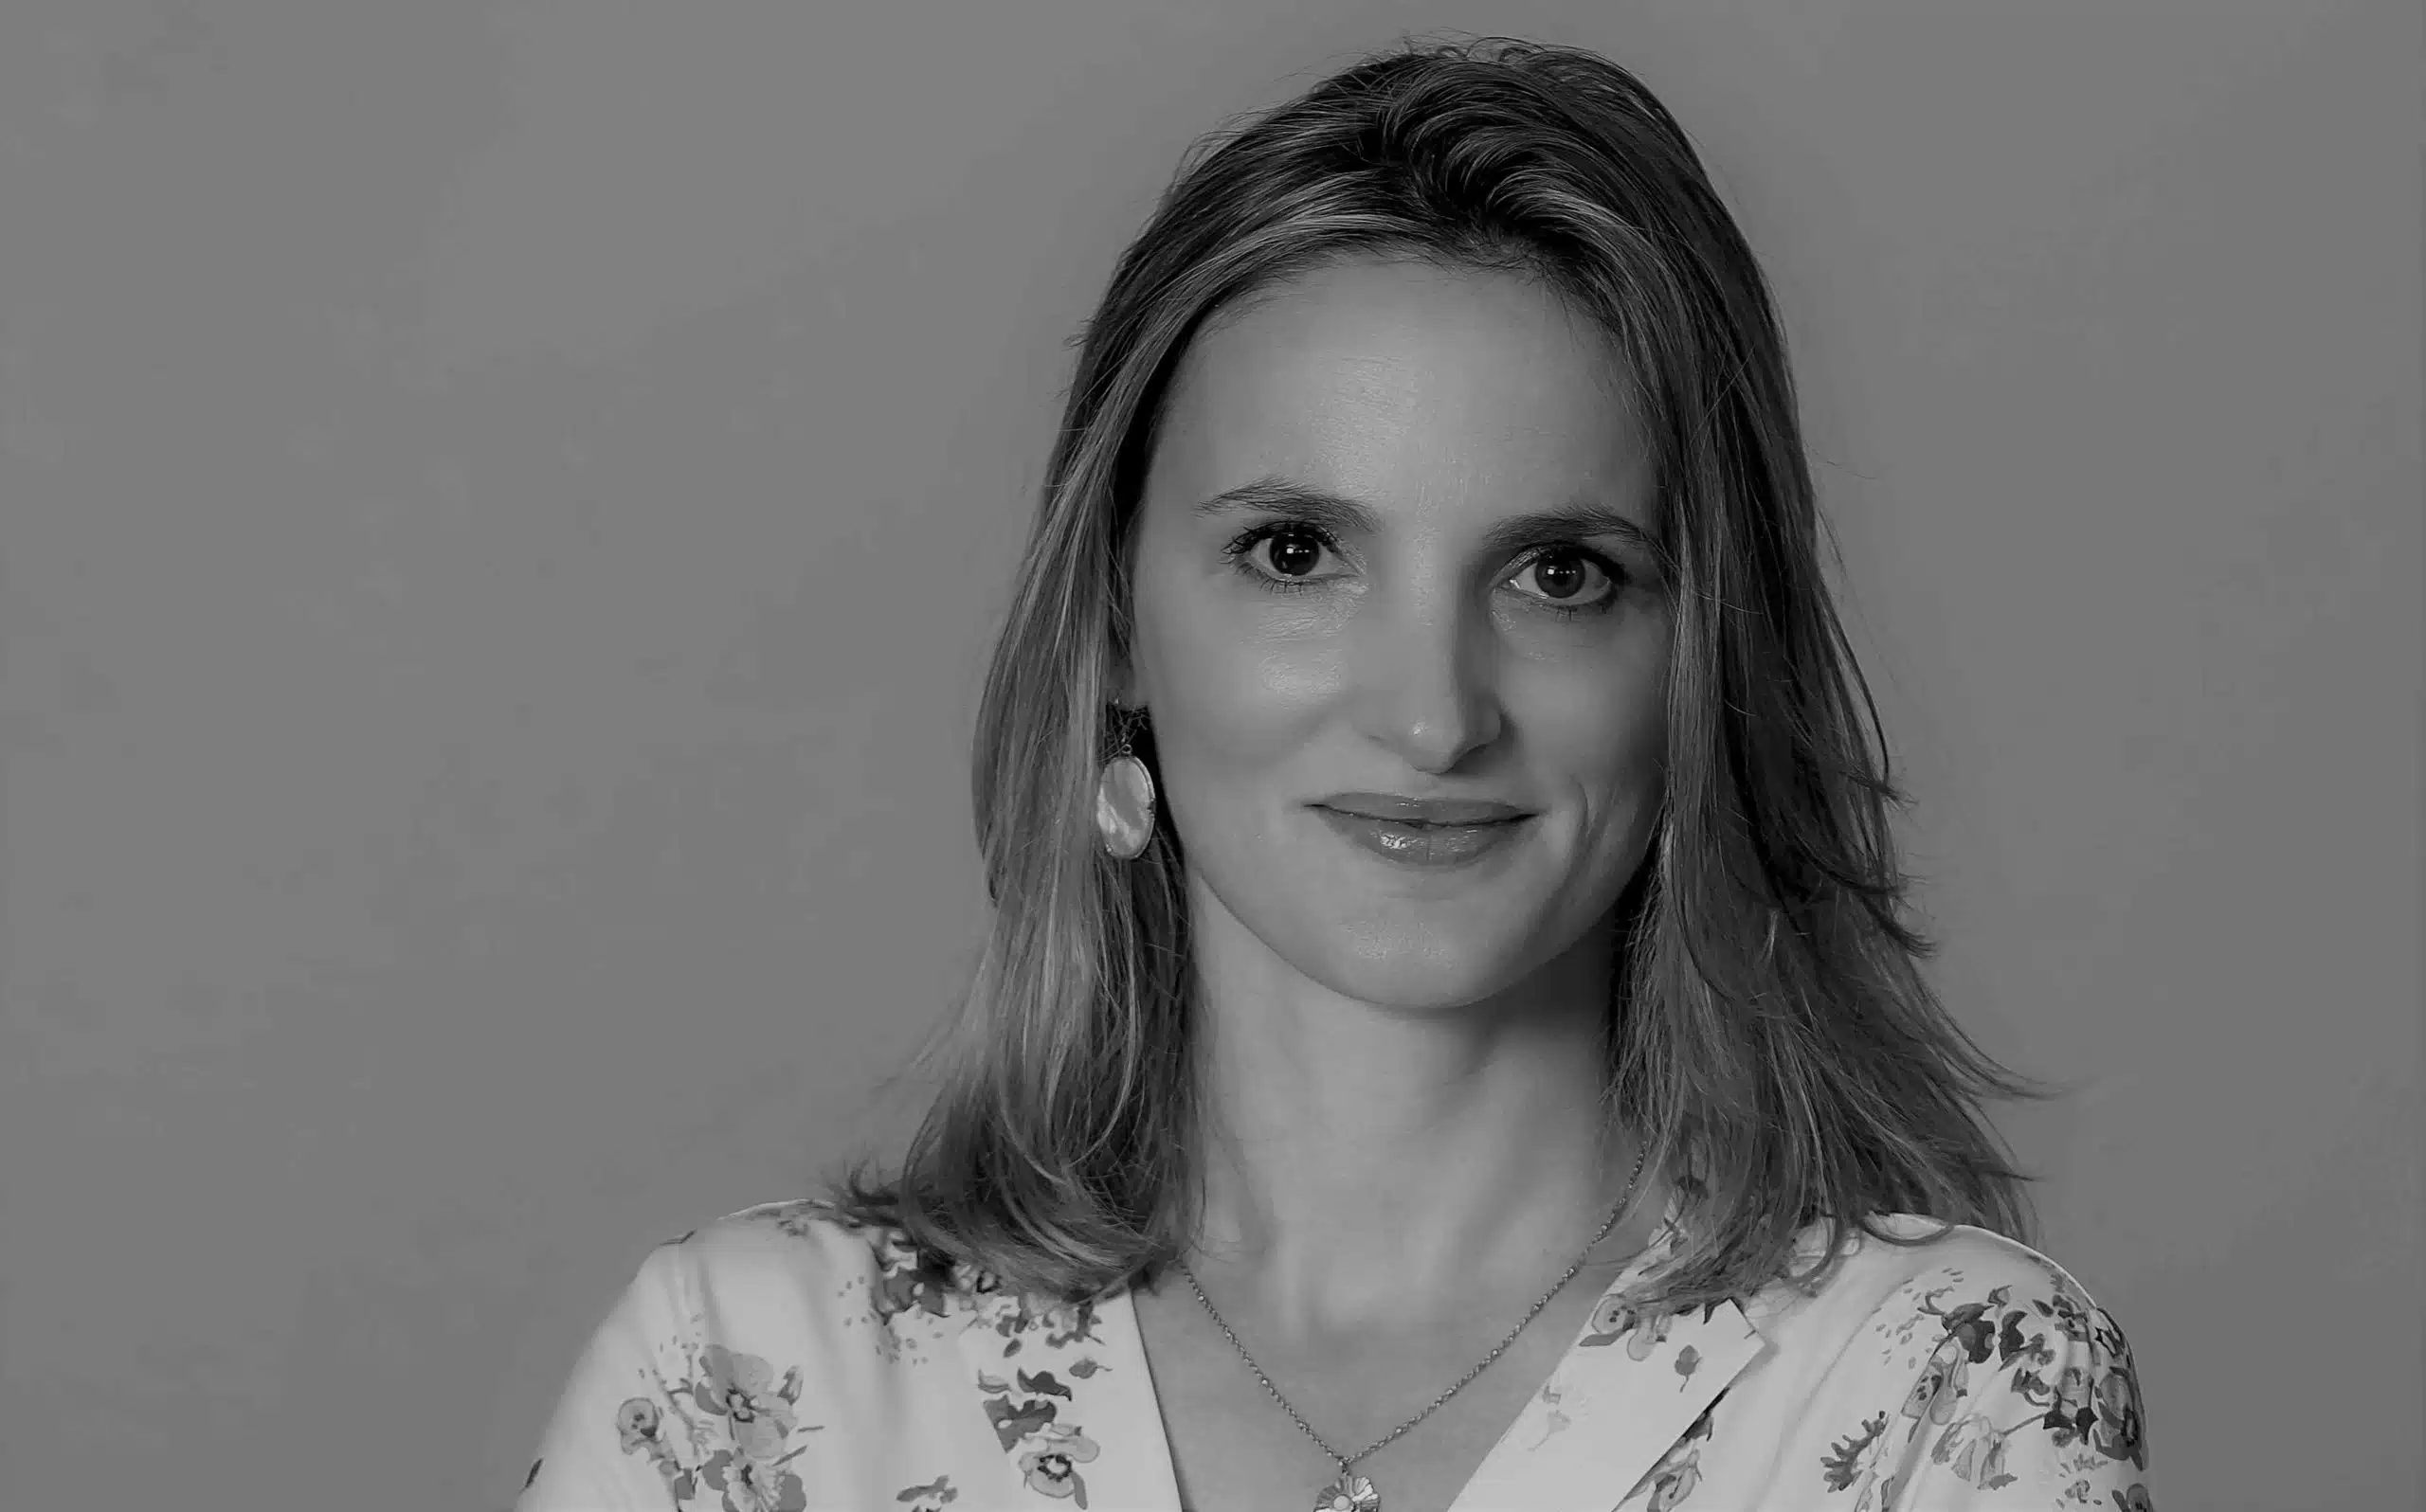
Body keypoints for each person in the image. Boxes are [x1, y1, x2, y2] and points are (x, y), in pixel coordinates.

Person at [514, 34, 2151, 1512]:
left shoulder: (1945, 1392)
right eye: (1298, 552)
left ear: (1701, 662)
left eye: (1561, 574)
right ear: (1116, 627)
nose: (1433, 719)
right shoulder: (749, 1386)